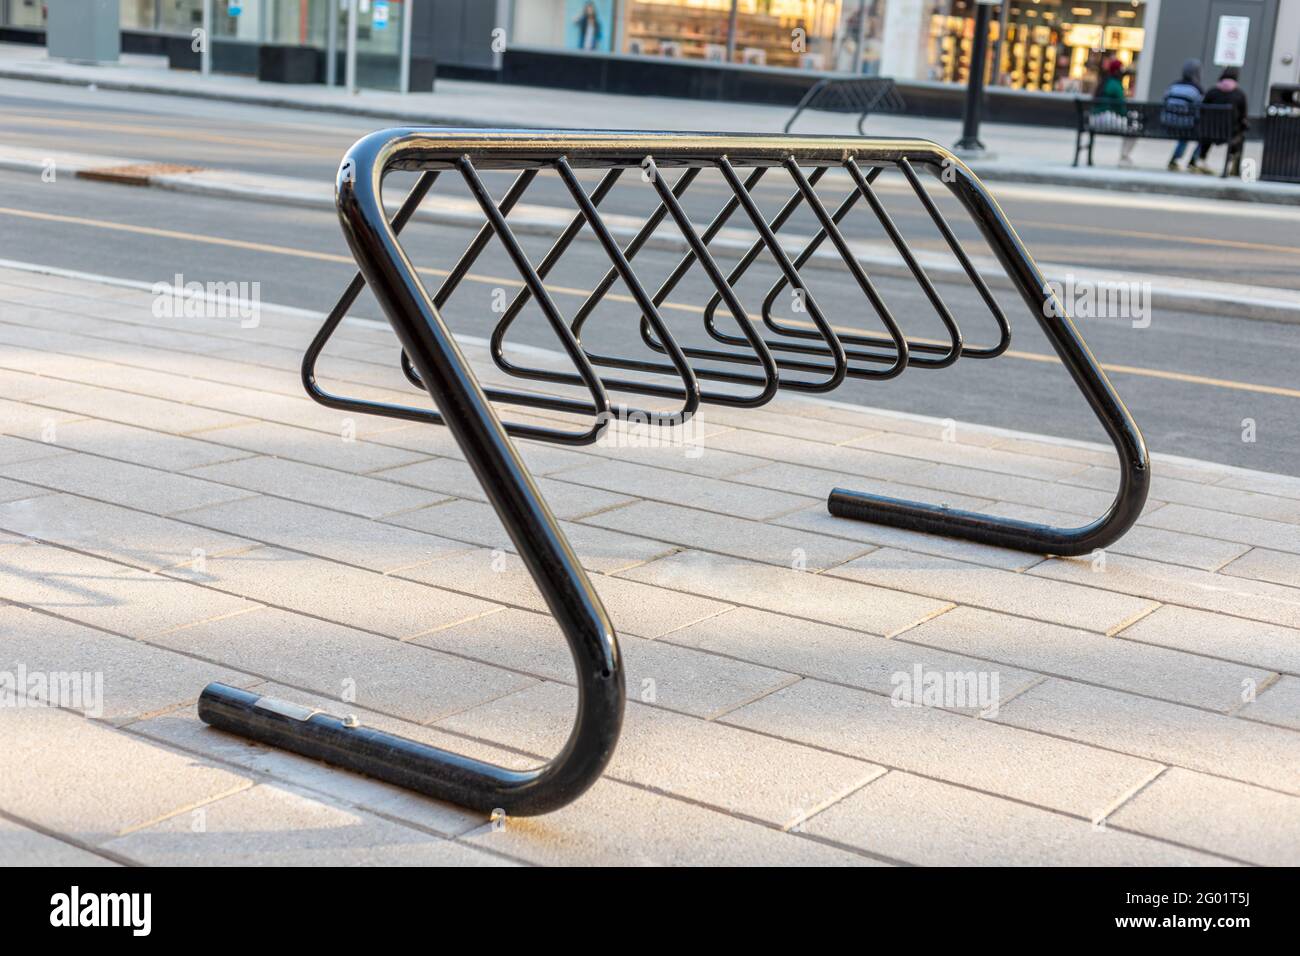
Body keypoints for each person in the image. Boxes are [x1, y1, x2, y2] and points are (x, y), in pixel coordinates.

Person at [1199, 66, 1250, 177]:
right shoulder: (1239, 94)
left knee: (1208, 131)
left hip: (1209, 131)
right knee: (1240, 136)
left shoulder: (1212, 91)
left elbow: (1202, 108)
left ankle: (1201, 158)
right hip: (1229, 133)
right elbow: (1243, 116)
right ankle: (1231, 163)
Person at [1092, 58, 1136, 166]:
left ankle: (1124, 157)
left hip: (1093, 119)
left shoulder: (1104, 82)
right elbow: (1121, 107)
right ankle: (1124, 157)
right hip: (1106, 118)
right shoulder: (1115, 85)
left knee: (1131, 125)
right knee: (1134, 129)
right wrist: (1127, 117)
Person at [1162, 59, 1204, 171]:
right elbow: (1199, 109)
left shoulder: (1173, 86)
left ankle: (1174, 160)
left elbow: (1165, 100)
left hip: (1167, 121)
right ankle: (1193, 160)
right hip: (1184, 124)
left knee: (1185, 133)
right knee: (1204, 134)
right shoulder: (1196, 90)